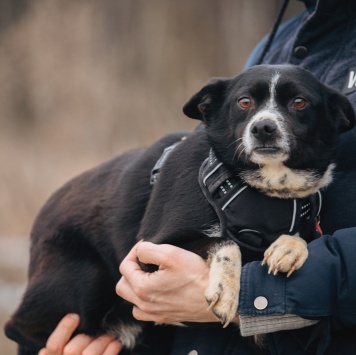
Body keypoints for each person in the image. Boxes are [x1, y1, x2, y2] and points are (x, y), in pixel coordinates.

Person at [39, 0, 356, 353]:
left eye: (297, 104)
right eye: (247, 104)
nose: (264, 122)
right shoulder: (283, 38)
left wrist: (256, 293)